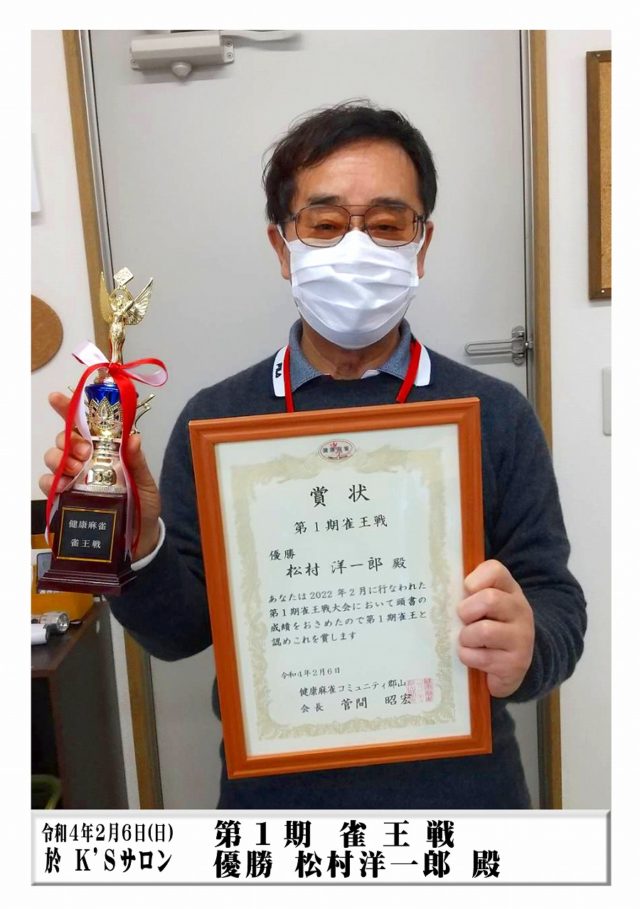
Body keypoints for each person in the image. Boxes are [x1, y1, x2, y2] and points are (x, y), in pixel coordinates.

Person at [40, 101, 586, 809]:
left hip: (464, 797)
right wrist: (141, 545)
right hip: (279, 804)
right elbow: (179, 636)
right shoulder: (217, 420)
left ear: (420, 246)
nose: (356, 245)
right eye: (325, 224)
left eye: (387, 224)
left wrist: (529, 644)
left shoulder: (496, 414)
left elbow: (555, 601)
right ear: (281, 247)